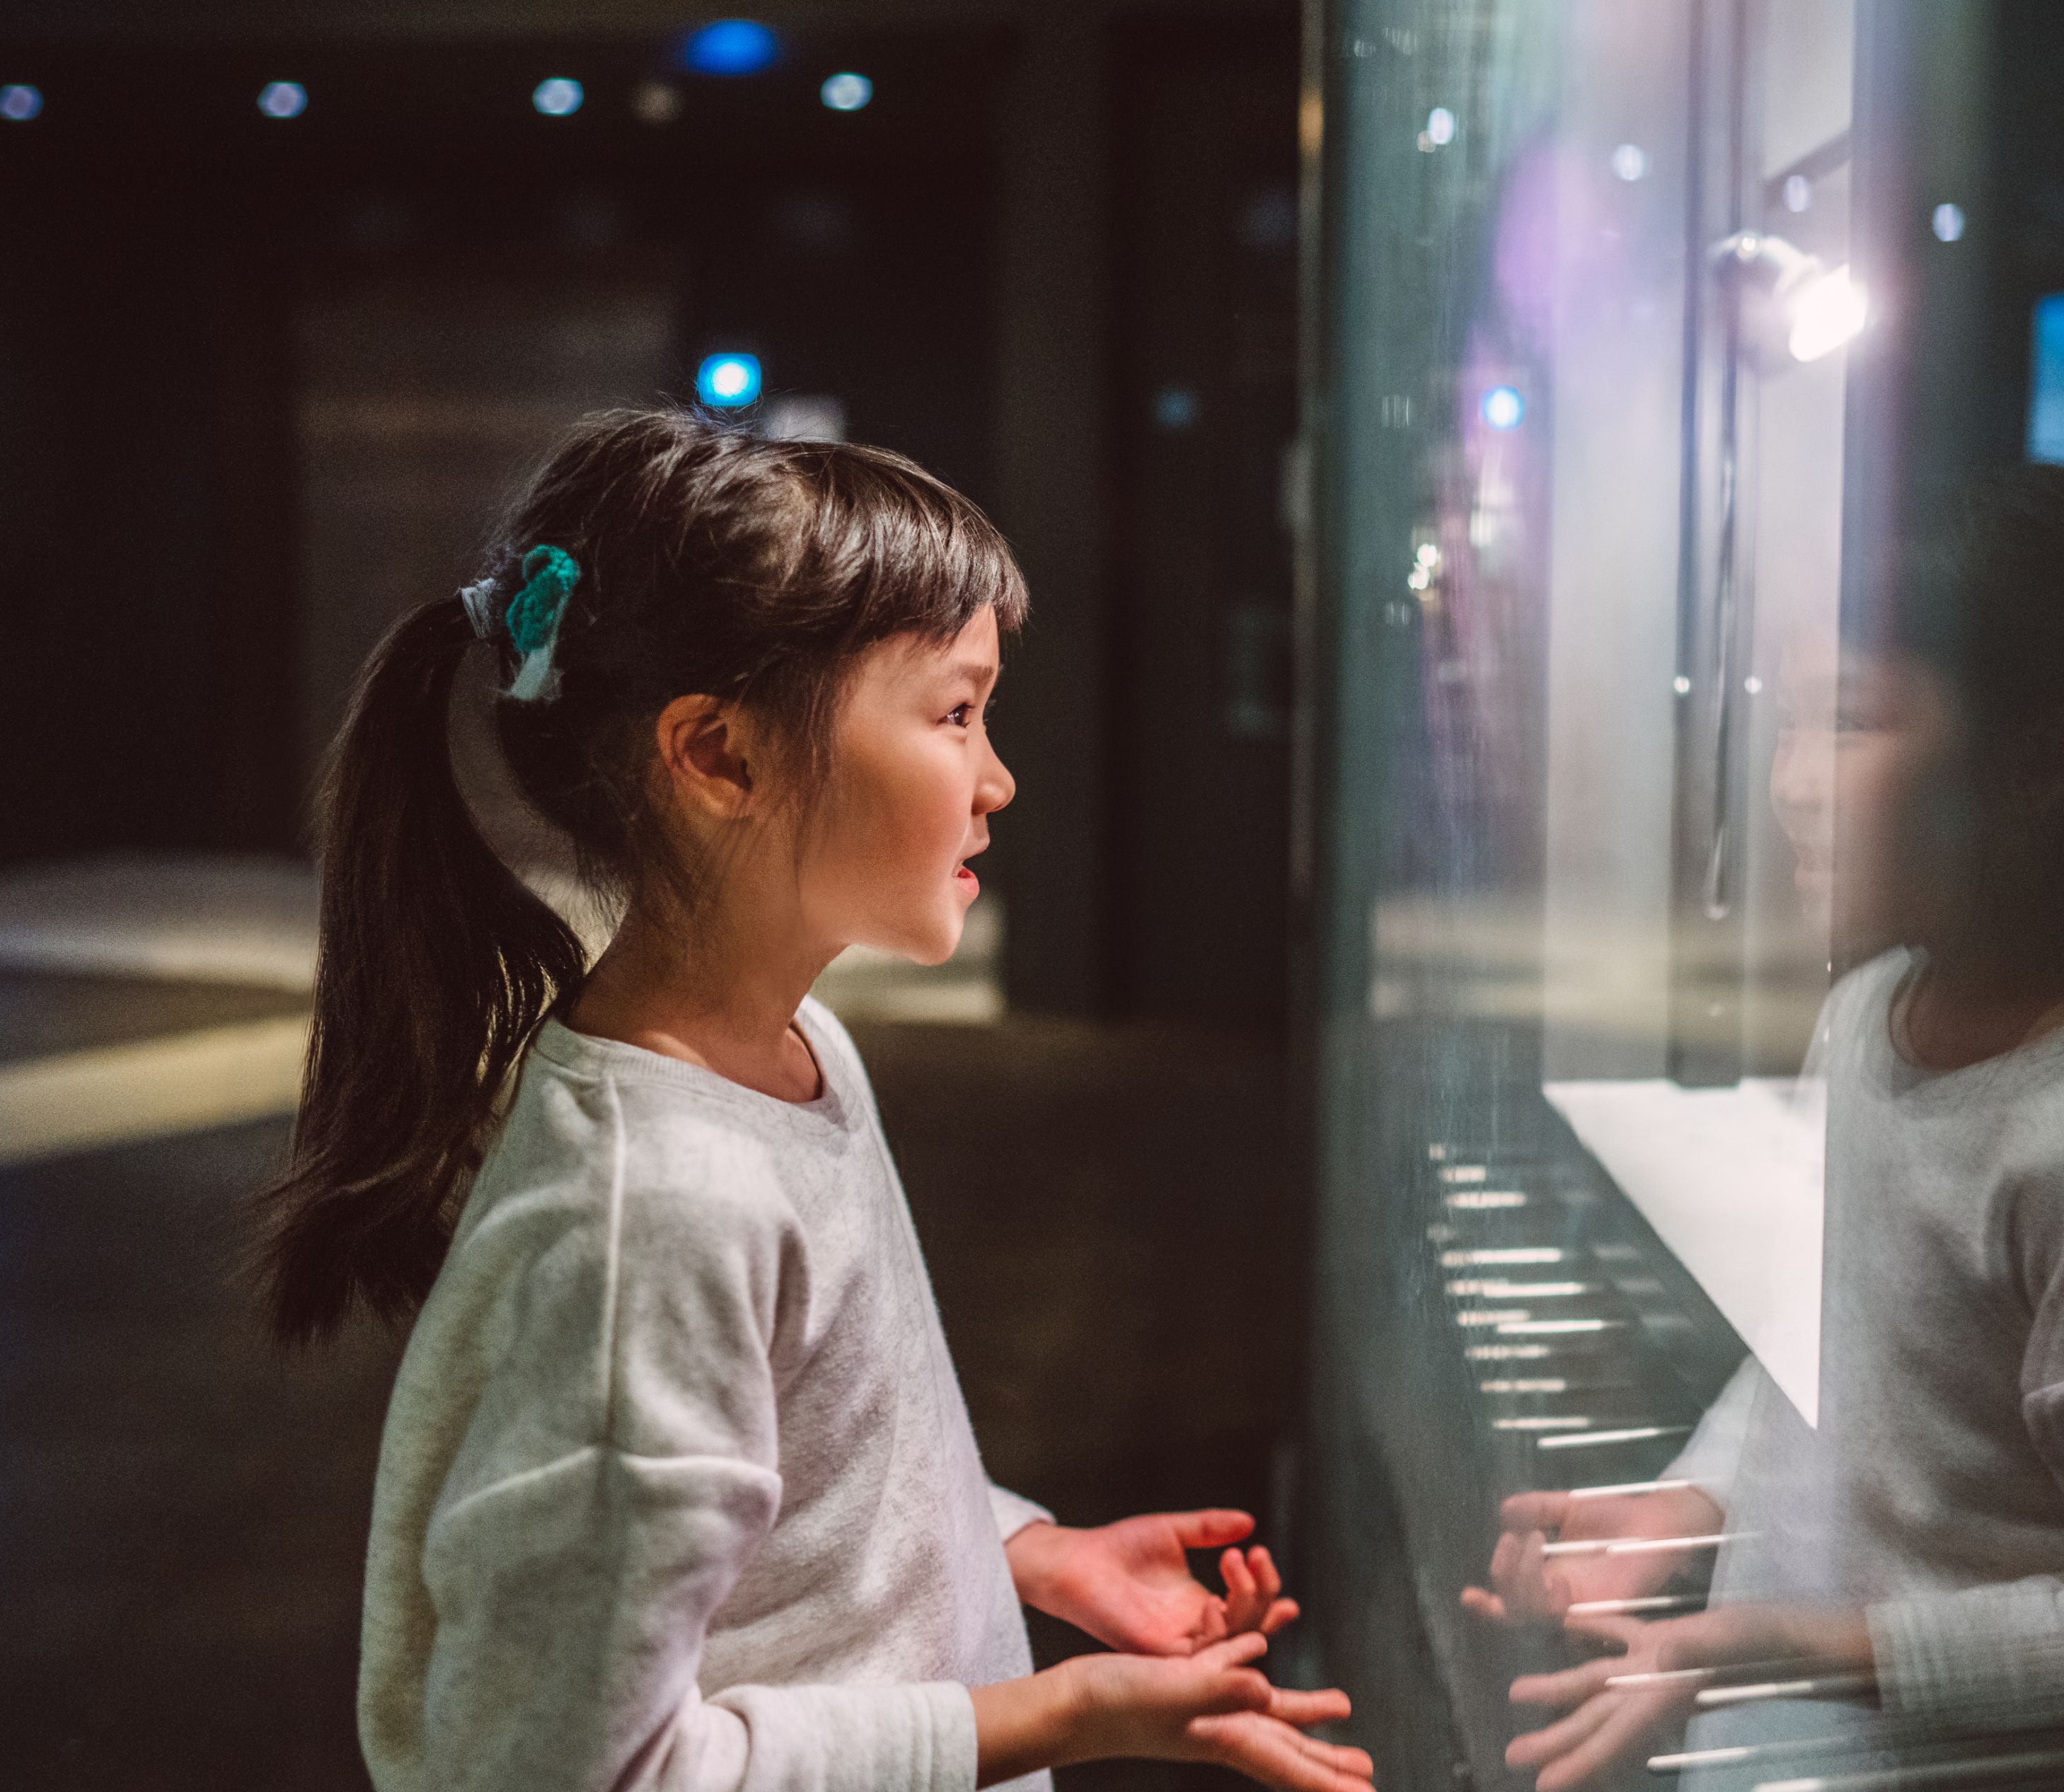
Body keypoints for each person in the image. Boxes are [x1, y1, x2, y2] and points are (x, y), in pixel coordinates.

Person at [250, 410, 1373, 1792]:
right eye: (955, 714)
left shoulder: (805, 1050)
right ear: (720, 756)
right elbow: (574, 1772)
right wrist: (1056, 1716)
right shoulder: (654, 1212)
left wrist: (1022, 1549)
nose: (997, 778)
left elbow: (822, 1484)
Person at [1466, 466, 2064, 1787]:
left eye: (1849, 723)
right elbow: (1829, 1354)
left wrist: (1798, 1643)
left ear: (2039, 761)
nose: (1793, 781)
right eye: (1787, 722)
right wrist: (1686, 1505)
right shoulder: (1862, 1011)